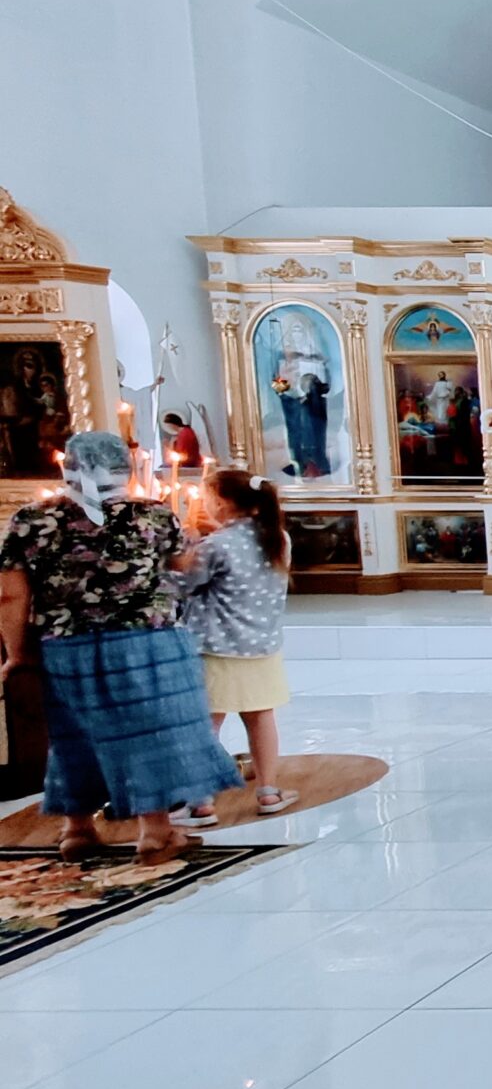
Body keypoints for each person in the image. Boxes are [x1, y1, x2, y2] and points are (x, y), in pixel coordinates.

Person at [0, 432, 239, 864]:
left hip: (67, 646)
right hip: (150, 643)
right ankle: (155, 833)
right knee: (152, 736)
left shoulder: (29, 521)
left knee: (74, 736)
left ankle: (77, 830)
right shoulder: (152, 515)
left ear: (68, 468)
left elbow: (11, 595)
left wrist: (18, 654)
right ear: (123, 471)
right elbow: (183, 564)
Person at [174, 469, 295, 825]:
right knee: (261, 719)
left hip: (216, 648)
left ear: (222, 503)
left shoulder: (216, 545)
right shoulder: (279, 539)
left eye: (207, 498)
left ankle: (200, 802)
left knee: (206, 725)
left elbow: (184, 585)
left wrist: (185, 551)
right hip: (262, 646)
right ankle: (269, 791)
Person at [270, 310, 335, 480]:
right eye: (294, 330)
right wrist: (289, 389)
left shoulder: (316, 356)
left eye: (300, 330)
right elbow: (276, 383)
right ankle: (299, 463)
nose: (297, 334)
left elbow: (327, 384)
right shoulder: (282, 356)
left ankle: (318, 462)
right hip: (292, 402)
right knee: (295, 432)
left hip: (314, 403)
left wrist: (315, 385)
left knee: (315, 431)